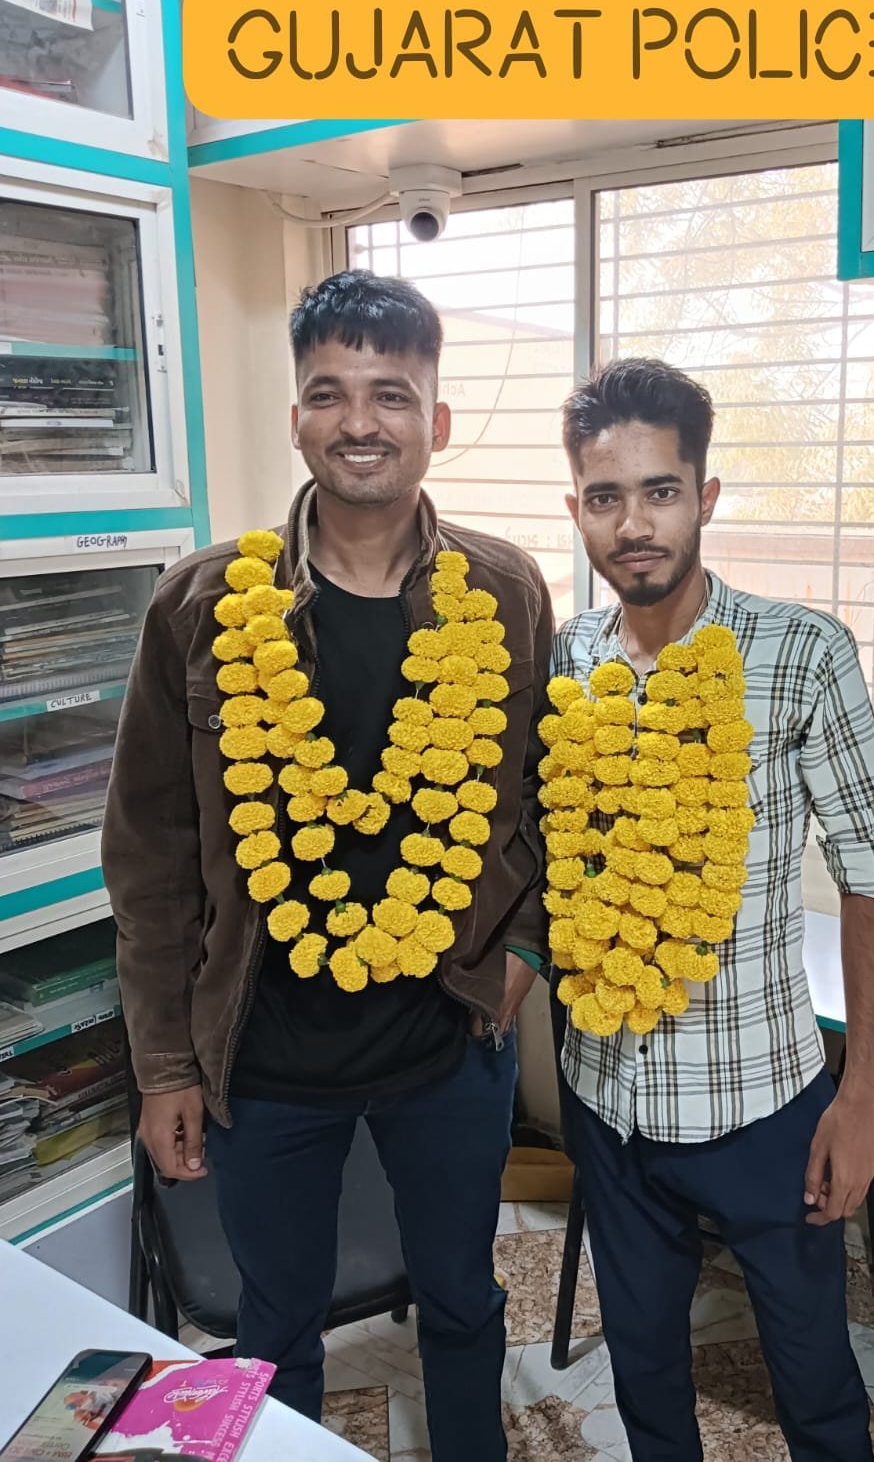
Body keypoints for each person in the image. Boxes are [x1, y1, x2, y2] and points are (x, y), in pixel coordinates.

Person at [103, 270, 553, 1451]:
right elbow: (148, 854)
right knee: (275, 1323)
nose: (361, 420)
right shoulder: (202, 603)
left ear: (435, 419)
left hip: (447, 1041)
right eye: (330, 392)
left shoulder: (505, 592)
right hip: (263, 1054)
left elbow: (547, 804)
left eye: (391, 393)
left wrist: (522, 951)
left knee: (464, 1300)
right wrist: (164, 1065)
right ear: (296, 417)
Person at [549, 358, 874, 1462]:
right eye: (606, 497)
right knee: (644, 1371)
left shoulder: (802, 653)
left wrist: (861, 1094)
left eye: (659, 491)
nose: (634, 524)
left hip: (759, 1100)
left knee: (813, 1376)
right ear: (577, 509)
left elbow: (871, 873)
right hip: (606, 1095)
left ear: (704, 495)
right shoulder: (569, 660)